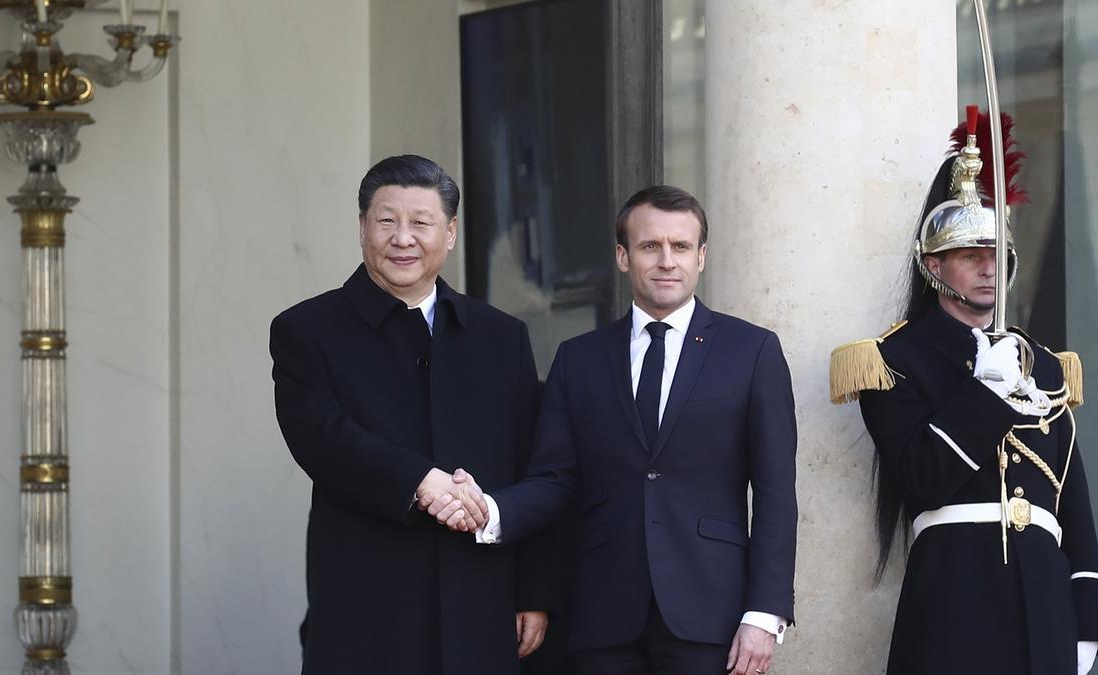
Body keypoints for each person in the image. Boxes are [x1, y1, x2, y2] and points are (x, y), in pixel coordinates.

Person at [426, 185, 798, 675]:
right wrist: (490, 511)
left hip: (714, 616)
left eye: (681, 246)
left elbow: (775, 492)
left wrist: (764, 613)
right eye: (649, 246)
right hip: (604, 616)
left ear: (702, 256)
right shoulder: (578, 359)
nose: (667, 260)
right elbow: (554, 480)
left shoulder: (752, 351)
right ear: (623, 257)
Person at [829, 108, 1098, 675]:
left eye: (995, 257)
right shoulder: (889, 361)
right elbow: (922, 477)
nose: (987, 270)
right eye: (969, 257)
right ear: (933, 265)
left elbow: (1072, 501)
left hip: (1045, 598)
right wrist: (985, 392)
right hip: (954, 593)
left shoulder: (1048, 365)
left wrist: (1090, 615)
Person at [270, 154, 552, 674]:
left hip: (479, 598)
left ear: (449, 233)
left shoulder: (500, 336)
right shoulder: (306, 330)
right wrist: (423, 482)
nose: (403, 238)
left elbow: (530, 464)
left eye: (421, 222)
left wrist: (533, 590)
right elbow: (321, 437)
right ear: (362, 228)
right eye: (386, 221)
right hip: (365, 602)